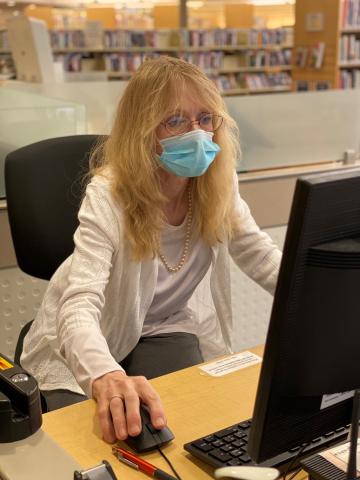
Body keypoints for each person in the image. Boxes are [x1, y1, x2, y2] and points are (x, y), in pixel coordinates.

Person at [21, 56, 281, 444]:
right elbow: (77, 306)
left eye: (206, 118)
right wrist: (105, 376)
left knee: (189, 423)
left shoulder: (217, 186)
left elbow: (262, 258)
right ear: (143, 131)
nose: (197, 134)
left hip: (163, 324)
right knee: (98, 438)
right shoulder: (109, 194)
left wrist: (321, 299)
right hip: (86, 334)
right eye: (175, 120)